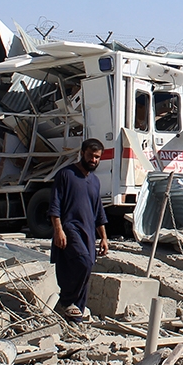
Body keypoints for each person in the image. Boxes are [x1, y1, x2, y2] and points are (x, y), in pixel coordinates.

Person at [48, 138, 109, 322]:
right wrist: (58, 230)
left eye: (97, 157)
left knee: (88, 265)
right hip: (69, 228)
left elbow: (98, 212)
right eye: (91, 155)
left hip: (88, 232)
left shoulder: (95, 182)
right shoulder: (66, 175)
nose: (94, 160)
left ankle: (76, 315)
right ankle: (67, 302)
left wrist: (104, 238)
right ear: (82, 153)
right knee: (82, 262)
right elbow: (55, 206)